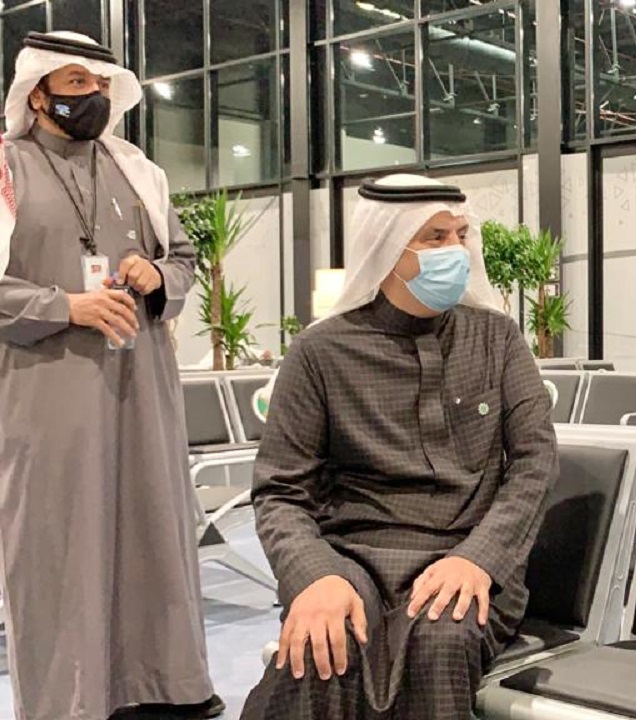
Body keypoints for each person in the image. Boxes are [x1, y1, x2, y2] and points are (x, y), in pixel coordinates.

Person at [242, 174, 557, 720]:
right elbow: (280, 493)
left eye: (460, 235)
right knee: (324, 641)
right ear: (387, 246)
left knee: (442, 640)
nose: (455, 250)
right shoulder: (319, 352)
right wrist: (313, 575)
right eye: (435, 237)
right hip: (352, 558)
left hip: (466, 556)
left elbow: (535, 463)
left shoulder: (498, 338)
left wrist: (479, 559)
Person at [0, 32, 221, 720]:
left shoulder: (137, 171)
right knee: (58, 545)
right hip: (47, 397)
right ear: (37, 94)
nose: (92, 97)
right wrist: (64, 306)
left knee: (153, 531)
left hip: (142, 391)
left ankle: (165, 686)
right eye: (75, 84)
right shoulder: (4, 169)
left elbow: (183, 259)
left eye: (100, 85)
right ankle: (69, 703)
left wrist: (156, 275)